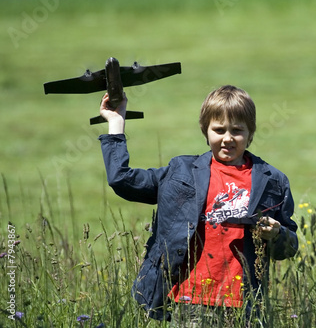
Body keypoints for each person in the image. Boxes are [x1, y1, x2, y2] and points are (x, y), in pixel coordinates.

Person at [98, 85, 298, 325]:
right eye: (219, 130)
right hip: (190, 301)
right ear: (206, 132)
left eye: (237, 130)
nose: (227, 138)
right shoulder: (180, 172)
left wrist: (276, 234)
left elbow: (288, 248)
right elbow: (122, 180)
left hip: (247, 306)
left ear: (250, 133)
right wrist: (115, 122)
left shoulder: (272, 181)